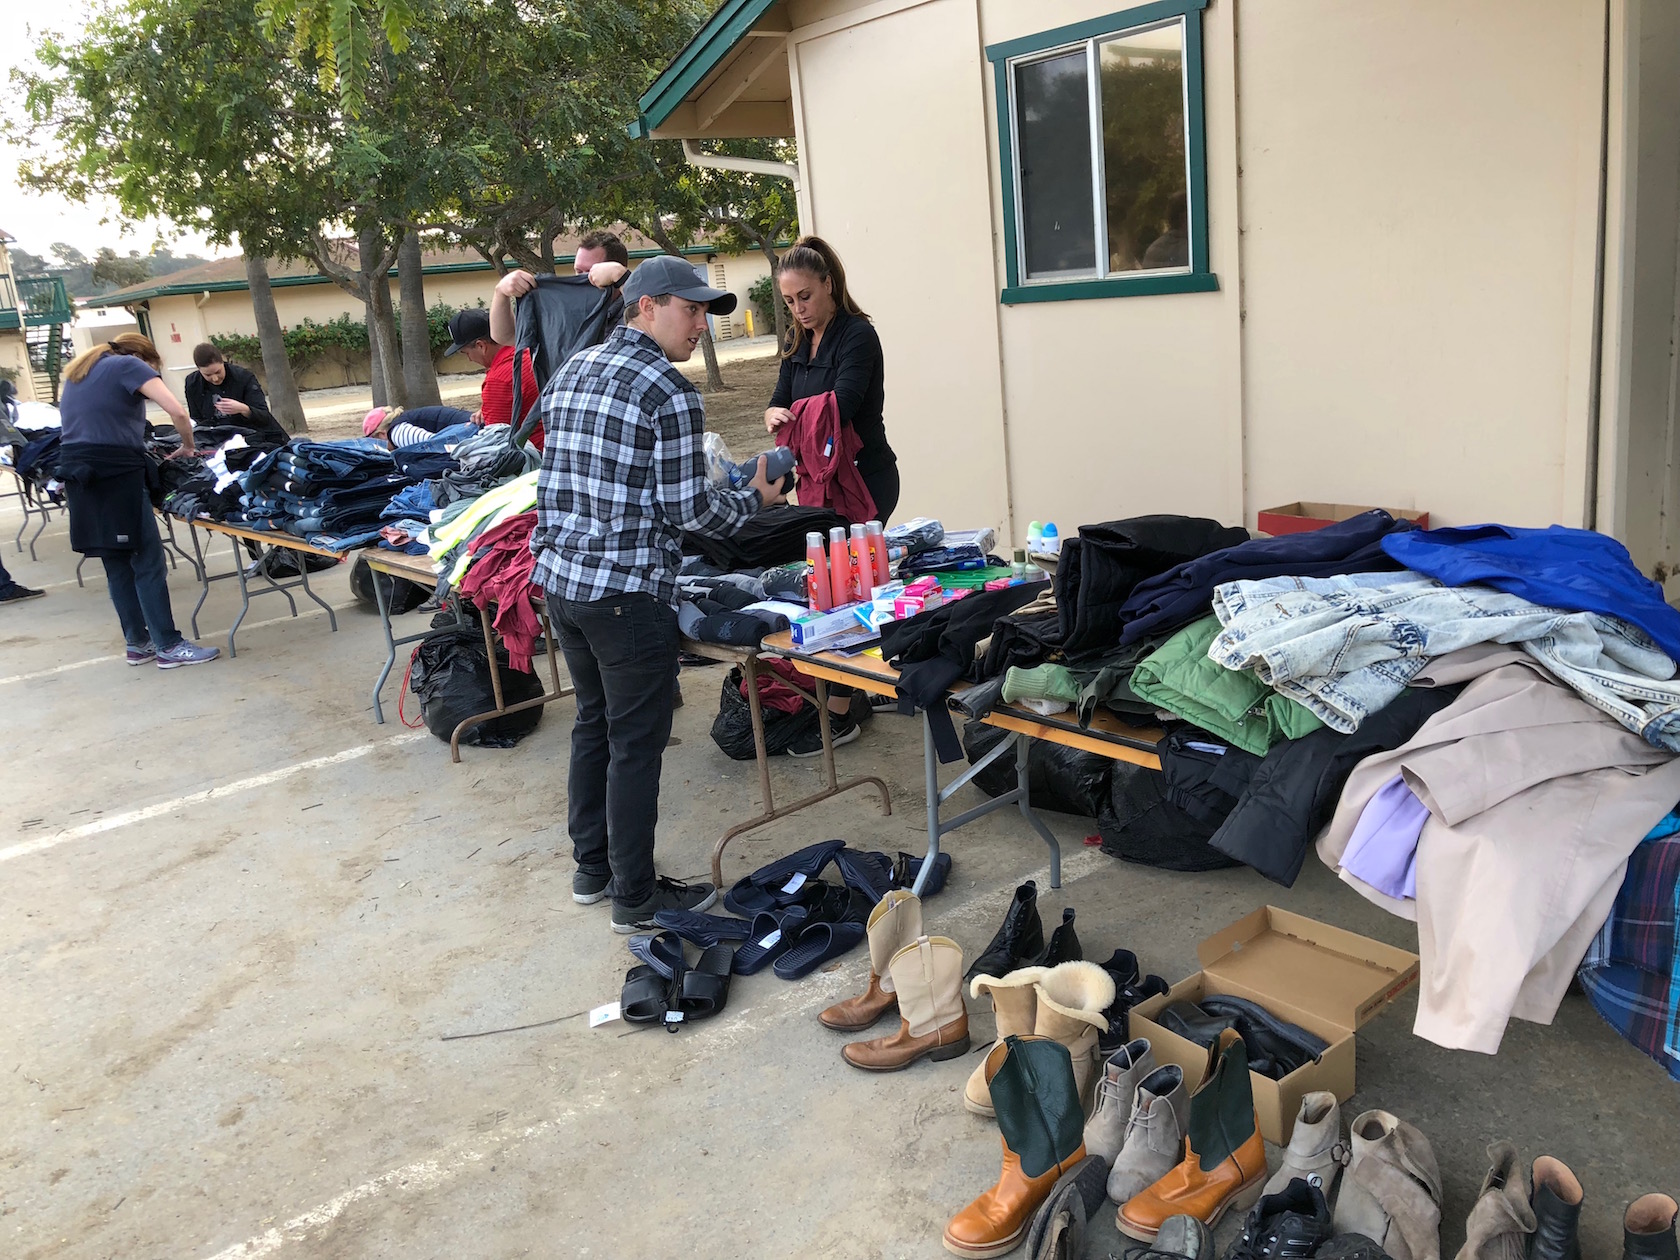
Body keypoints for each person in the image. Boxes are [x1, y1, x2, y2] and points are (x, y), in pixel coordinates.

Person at [531, 255, 785, 934]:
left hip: (563, 585)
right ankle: (637, 899)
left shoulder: (572, 370)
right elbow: (689, 514)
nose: (700, 324)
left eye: (706, 312)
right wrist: (753, 502)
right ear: (644, 306)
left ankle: (594, 873)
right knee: (635, 745)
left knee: (594, 725)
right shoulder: (667, 390)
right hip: (623, 595)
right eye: (690, 308)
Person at [57, 334, 219, 668]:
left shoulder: (81, 370)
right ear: (144, 359)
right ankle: (169, 645)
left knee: (115, 559)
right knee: (147, 559)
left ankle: (138, 643)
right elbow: (176, 412)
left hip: (78, 470)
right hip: (115, 471)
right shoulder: (129, 365)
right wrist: (188, 447)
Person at [764, 236, 898, 522]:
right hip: (819, 483)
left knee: (854, 564)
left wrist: (793, 416)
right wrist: (773, 414)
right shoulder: (795, 339)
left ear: (828, 285)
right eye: (789, 301)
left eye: (805, 296)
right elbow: (779, 400)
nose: (798, 309)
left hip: (865, 479)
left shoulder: (857, 335)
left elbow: (843, 405)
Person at [441, 308, 543, 448]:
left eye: (466, 353)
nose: (469, 359)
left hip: (531, 455)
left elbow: (495, 444)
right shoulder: (528, 352)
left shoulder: (498, 380)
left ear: (481, 346)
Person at [184, 343, 289, 444]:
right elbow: (197, 419)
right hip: (218, 438)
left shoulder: (243, 377)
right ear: (199, 370)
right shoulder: (192, 383)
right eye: (208, 375)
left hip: (253, 434)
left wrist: (243, 409)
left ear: (223, 363)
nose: (215, 379)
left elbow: (264, 416)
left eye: (218, 372)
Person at [363, 405, 477, 447]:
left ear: (382, 434)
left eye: (374, 442)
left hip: (473, 430)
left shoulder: (397, 433)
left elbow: (435, 446)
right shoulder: (403, 423)